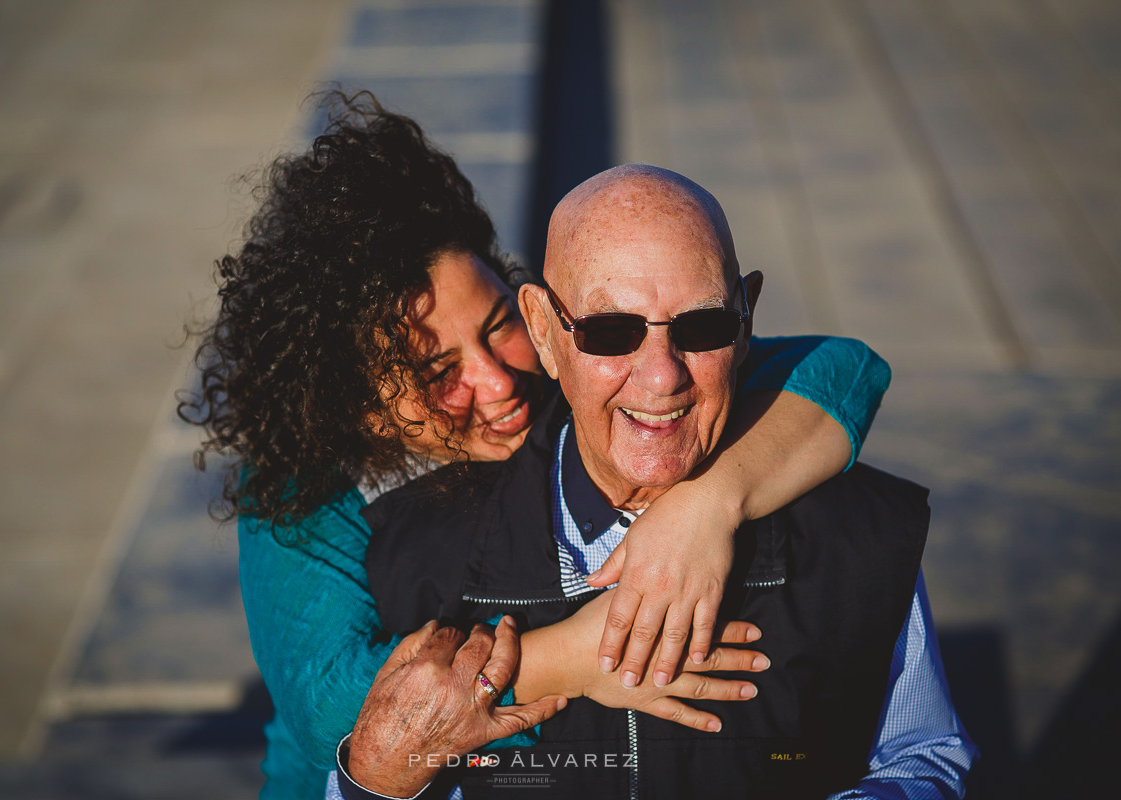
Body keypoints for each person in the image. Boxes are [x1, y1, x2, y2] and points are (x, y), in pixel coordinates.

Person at [181, 92, 894, 797]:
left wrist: (710, 504)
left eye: (497, 325)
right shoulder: (302, 495)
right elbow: (330, 711)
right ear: (358, 406)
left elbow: (845, 371)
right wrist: (580, 656)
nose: (498, 382)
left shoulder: (586, 359)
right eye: (438, 372)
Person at [345, 165, 977, 799]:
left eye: (702, 327)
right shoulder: (406, 553)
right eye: (609, 332)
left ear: (746, 315)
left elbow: (919, 757)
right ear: (541, 327)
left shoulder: (855, 532)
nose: (661, 377)